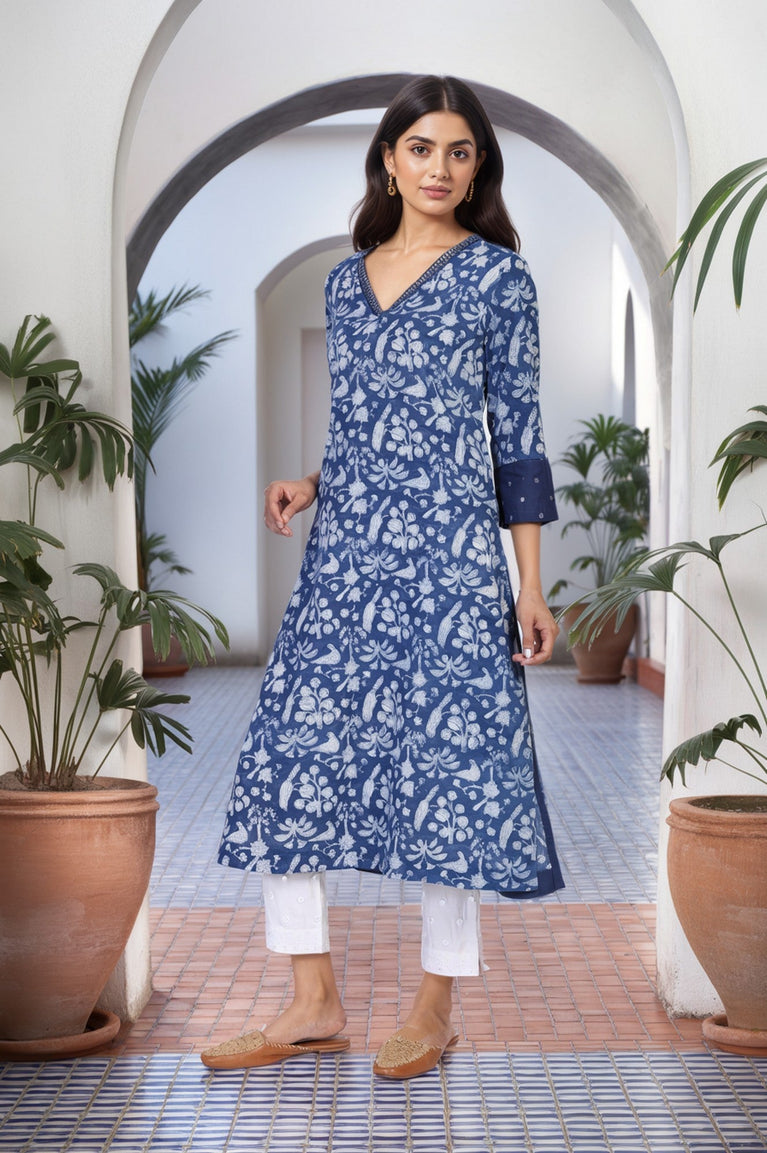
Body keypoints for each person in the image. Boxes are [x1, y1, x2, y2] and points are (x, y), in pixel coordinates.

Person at [202, 74, 563, 1079]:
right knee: (289, 757)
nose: (439, 168)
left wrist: (529, 584)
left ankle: (433, 1007)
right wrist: (311, 481)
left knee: (447, 773)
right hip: (345, 562)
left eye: (459, 152)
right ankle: (311, 1001)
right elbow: (364, 424)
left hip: (450, 566)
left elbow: (518, 445)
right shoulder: (342, 283)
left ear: (477, 170)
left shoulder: (498, 281)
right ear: (388, 161)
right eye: (420, 148)